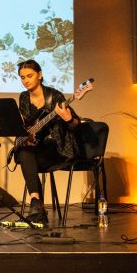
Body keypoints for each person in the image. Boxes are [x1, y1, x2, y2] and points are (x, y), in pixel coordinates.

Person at [15, 60, 80, 223]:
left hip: (56, 149)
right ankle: (36, 203)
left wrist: (68, 119)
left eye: (29, 76)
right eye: (22, 77)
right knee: (24, 151)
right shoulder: (23, 97)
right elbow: (26, 125)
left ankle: (37, 208)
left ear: (39, 75)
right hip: (35, 149)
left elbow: (76, 124)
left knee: (26, 156)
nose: (26, 80)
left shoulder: (55, 96)